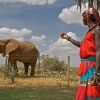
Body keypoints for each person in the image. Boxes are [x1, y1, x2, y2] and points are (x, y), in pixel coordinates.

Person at [61, 8, 100, 100]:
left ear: (90, 17)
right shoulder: (89, 33)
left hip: (92, 67)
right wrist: (68, 38)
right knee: (85, 91)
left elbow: (99, 51)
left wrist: (97, 73)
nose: (82, 19)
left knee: (92, 91)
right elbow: (80, 44)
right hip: (85, 67)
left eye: (83, 16)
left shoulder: (97, 30)